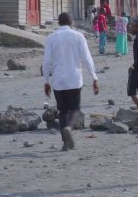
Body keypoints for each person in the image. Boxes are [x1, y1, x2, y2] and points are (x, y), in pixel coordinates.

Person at [42, 13, 99, 151]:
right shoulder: (78, 36)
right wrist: (94, 77)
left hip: (58, 81)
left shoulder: (51, 37)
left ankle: (65, 143)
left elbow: (47, 61)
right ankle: (69, 128)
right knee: (75, 109)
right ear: (71, 22)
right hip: (74, 79)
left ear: (59, 23)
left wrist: (46, 81)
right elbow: (86, 58)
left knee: (62, 111)